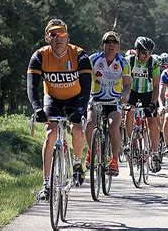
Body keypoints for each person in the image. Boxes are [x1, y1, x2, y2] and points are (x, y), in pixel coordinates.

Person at [27, 18, 92, 201]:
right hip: (52, 99)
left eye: (61, 33)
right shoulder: (39, 56)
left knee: (78, 129)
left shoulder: (80, 55)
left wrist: (80, 108)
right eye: (53, 34)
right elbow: (32, 86)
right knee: (50, 134)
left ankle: (78, 165)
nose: (57, 37)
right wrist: (37, 108)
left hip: (75, 98)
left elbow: (87, 86)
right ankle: (46, 185)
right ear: (47, 38)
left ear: (67, 37)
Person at [85, 31, 131, 176]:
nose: (110, 45)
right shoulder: (93, 59)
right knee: (90, 124)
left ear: (118, 46)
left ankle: (114, 160)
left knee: (113, 126)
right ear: (102, 45)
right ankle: (92, 150)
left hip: (113, 101)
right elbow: (84, 79)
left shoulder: (124, 62)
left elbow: (127, 85)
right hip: (96, 99)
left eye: (114, 42)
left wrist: (124, 95)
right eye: (107, 42)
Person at [124, 36, 162, 172]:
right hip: (132, 90)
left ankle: (155, 153)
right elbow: (125, 82)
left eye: (149, 53)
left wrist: (153, 103)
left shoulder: (154, 63)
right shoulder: (129, 61)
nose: (147, 56)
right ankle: (130, 143)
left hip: (148, 92)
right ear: (137, 51)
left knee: (152, 122)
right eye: (144, 53)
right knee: (129, 112)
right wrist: (124, 100)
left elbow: (157, 86)